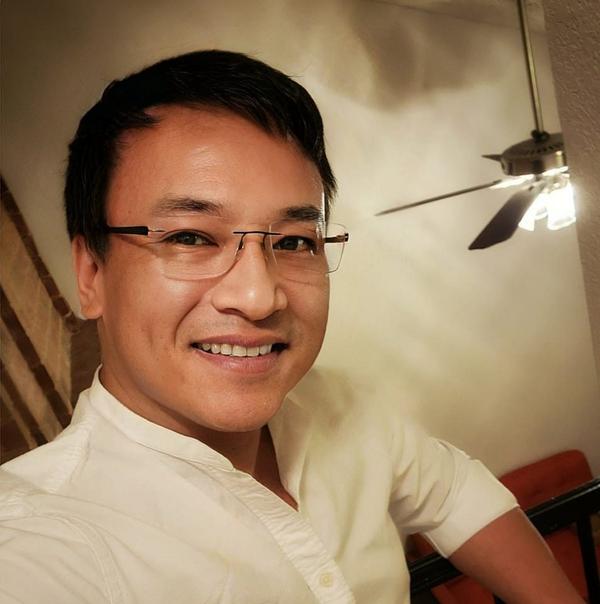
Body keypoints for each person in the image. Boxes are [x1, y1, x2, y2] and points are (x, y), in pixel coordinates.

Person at [0, 50, 582, 603]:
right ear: (92, 273)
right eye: (190, 237)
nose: (259, 297)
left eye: (296, 242)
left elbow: (451, 491)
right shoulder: (41, 540)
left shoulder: (342, 409)